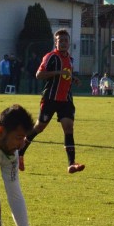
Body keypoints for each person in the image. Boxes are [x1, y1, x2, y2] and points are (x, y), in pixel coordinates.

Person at [17, 29, 85, 174]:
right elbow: (39, 74)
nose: (64, 43)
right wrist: (58, 72)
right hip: (50, 99)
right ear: (56, 42)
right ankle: (20, 153)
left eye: (66, 40)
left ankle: (71, 163)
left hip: (66, 99)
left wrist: (73, 79)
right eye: (61, 41)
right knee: (39, 127)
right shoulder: (50, 57)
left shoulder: (70, 59)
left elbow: (66, 76)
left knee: (69, 127)